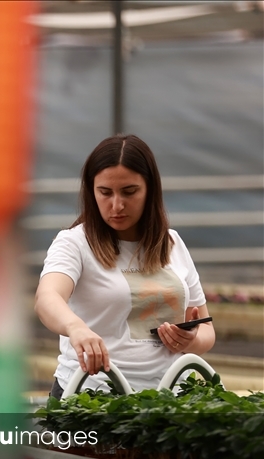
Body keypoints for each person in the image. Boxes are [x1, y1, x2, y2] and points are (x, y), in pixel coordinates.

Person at [35, 134, 214, 397]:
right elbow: (46, 298)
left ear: (150, 189)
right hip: (92, 395)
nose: (116, 205)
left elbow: (207, 330)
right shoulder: (74, 243)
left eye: (129, 192)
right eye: (105, 192)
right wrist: (76, 328)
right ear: (91, 190)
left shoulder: (172, 242)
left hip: (171, 398)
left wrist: (191, 340)